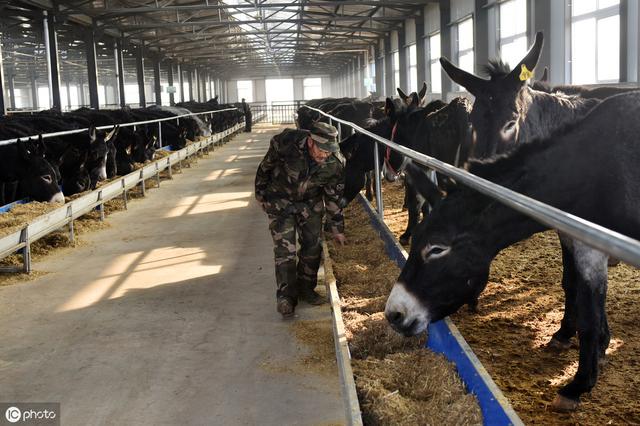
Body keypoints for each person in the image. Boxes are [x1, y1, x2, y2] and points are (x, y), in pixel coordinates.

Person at [255, 122, 347, 318]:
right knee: (284, 250)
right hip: (280, 201)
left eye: (329, 151)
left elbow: (333, 197)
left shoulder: (335, 163)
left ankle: (306, 289)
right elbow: (266, 166)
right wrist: (260, 193)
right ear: (311, 141)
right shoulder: (286, 143)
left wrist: (337, 228)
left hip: (310, 204)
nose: (325, 155)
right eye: (322, 150)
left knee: (312, 246)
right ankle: (286, 298)